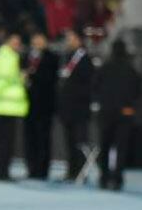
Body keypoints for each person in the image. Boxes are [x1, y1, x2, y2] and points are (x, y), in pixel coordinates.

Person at [95, 39, 142, 190]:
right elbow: (138, 90)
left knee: (105, 145)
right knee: (121, 148)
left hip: (106, 112)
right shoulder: (131, 69)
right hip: (125, 113)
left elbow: (95, 86)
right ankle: (117, 180)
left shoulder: (104, 67)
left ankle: (103, 178)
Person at [57, 29, 94, 182]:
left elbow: (89, 84)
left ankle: (80, 173)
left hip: (79, 109)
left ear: (79, 40)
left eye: (71, 38)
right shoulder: (67, 57)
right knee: (69, 141)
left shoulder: (85, 59)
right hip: (67, 108)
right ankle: (71, 171)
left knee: (79, 141)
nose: (68, 41)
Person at [24, 32, 60, 179]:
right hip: (28, 104)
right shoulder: (27, 57)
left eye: (40, 40)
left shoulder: (52, 57)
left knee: (43, 138)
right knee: (29, 137)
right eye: (35, 40)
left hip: (45, 105)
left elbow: (49, 79)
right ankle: (31, 168)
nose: (37, 42)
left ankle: (42, 170)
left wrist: (31, 75)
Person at [0, 33, 28, 181]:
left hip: (1, 105)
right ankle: (2, 172)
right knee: (5, 141)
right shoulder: (9, 57)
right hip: (6, 105)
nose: (17, 44)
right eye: (15, 41)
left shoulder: (2, 55)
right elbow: (4, 79)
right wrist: (21, 78)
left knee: (0, 140)